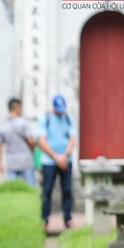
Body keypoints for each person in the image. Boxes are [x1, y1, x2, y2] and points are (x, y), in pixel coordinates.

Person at [37, 94, 78, 229]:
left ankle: (67, 219)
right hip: (49, 161)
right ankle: (45, 219)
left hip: (66, 159)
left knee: (67, 190)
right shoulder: (45, 118)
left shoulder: (68, 118)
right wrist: (56, 156)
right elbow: (41, 141)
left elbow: (72, 138)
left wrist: (64, 155)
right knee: (47, 190)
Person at [0, 98, 36, 185]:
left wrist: (0, 163)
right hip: (26, 161)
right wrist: (35, 144)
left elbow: (0, 145)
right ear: (17, 108)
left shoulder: (3, 125)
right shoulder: (23, 123)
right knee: (30, 190)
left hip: (11, 162)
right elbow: (30, 141)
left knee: (13, 189)